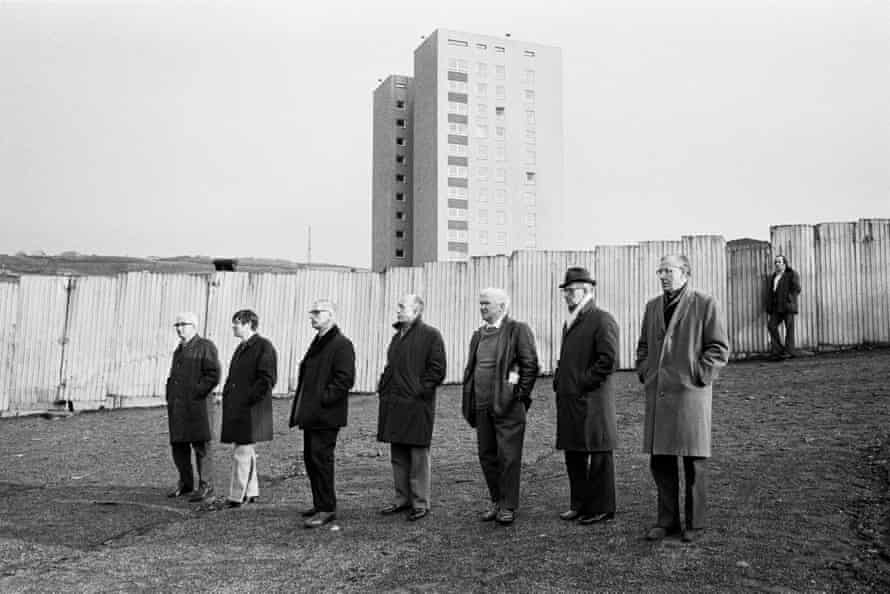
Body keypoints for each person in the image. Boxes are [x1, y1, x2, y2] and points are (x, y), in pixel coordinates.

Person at [635, 255, 730, 543]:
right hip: (660, 394)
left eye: (669, 270)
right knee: (660, 462)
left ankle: (695, 522)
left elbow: (718, 348)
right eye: (660, 270)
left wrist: (698, 376)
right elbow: (643, 346)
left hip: (690, 395)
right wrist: (646, 372)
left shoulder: (704, 303)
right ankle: (667, 521)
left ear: (685, 273)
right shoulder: (653, 307)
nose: (663, 275)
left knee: (693, 461)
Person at [461, 287, 539, 525]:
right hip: (482, 406)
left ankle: (508, 506)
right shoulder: (478, 335)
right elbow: (473, 368)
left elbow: (528, 365)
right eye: (481, 303)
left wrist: (517, 395)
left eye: (487, 303)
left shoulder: (517, 330)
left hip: (508, 407)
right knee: (487, 456)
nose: (482, 307)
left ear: (502, 306)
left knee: (508, 457)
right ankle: (496, 501)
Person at [553, 267, 619, 525]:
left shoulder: (602, 319)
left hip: (592, 401)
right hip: (570, 400)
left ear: (588, 291)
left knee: (599, 452)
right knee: (574, 453)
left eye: (572, 291)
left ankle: (601, 507)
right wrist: (561, 380)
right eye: (565, 291)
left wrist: (582, 383)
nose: (567, 296)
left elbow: (608, 360)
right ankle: (579, 504)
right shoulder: (571, 321)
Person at [376, 294, 447, 522]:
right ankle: (402, 499)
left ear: (416, 311)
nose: (397, 310)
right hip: (395, 404)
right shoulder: (398, 337)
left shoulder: (431, 335)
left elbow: (437, 370)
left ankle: (420, 502)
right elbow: (391, 367)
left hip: (417, 406)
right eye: (398, 306)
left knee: (418, 456)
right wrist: (384, 388)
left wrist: (419, 392)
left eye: (402, 307)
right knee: (398, 454)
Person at [289, 299, 356, 528]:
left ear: (331, 315)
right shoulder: (319, 341)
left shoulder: (340, 344)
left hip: (326, 415)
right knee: (311, 459)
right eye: (312, 312)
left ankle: (327, 508)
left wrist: (322, 400)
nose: (313, 316)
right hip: (312, 415)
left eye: (318, 312)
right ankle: (320, 503)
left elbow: (344, 379)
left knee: (321, 459)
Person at [220, 309, 277, 508]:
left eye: (237, 323)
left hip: (251, 409)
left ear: (248, 324)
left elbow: (267, 379)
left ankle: (238, 495)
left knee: (242, 451)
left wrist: (247, 399)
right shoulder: (241, 348)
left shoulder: (263, 346)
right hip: (239, 407)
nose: (234, 326)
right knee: (244, 450)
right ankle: (250, 492)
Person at [165, 312, 221, 502]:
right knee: (178, 446)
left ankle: (206, 485)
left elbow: (213, 374)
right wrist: (171, 397)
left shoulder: (205, 346)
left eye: (184, 324)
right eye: (177, 325)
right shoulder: (179, 350)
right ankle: (185, 483)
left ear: (194, 326)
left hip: (197, 406)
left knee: (201, 446)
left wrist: (196, 393)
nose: (180, 328)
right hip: (178, 407)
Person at [766, 254, 802, 360]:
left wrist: (789, 298)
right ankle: (777, 351)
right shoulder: (773, 277)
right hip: (777, 308)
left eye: (779, 262)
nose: (777, 264)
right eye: (775, 262)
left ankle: (789, 352)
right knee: (771, 326)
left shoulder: (791, 274)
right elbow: (771, 293)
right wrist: (769, 306)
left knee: (789, 329)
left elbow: (797, 289)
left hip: (787, 306)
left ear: (785, 264)